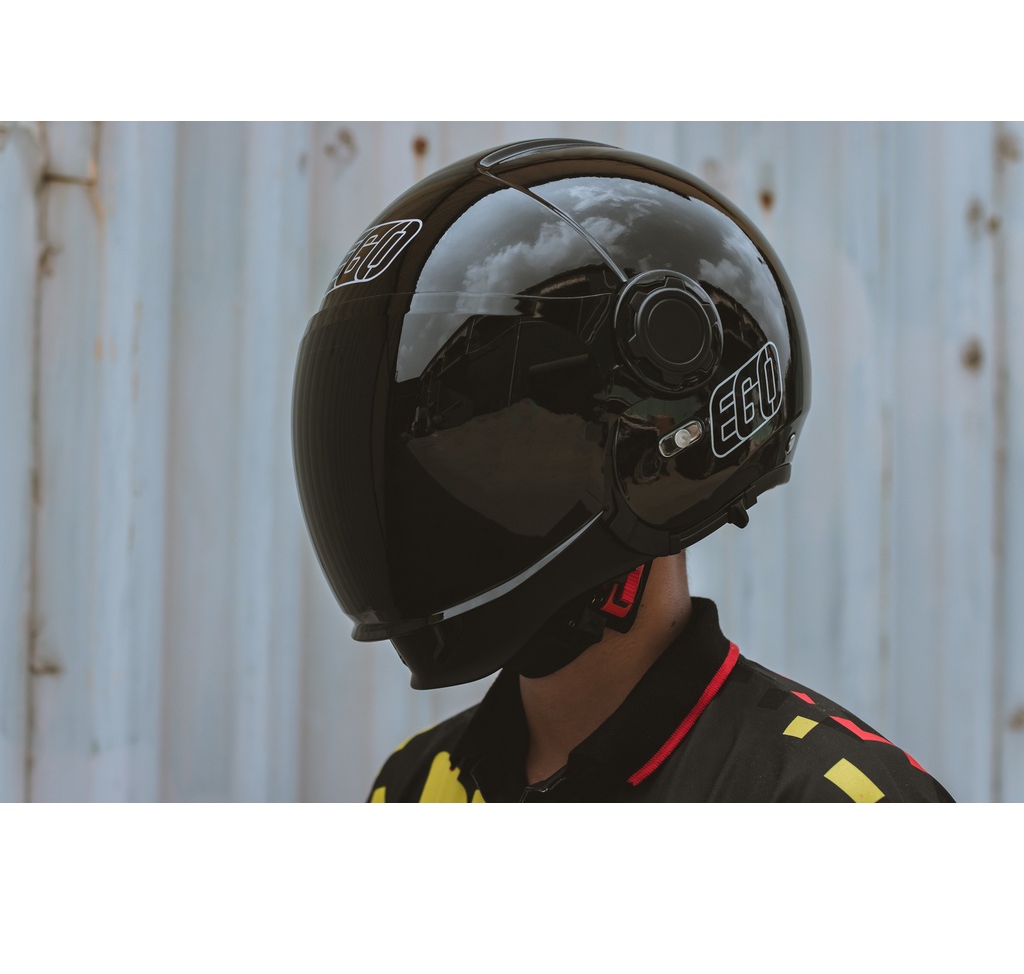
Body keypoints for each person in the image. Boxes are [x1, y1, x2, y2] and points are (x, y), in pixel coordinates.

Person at [292, 138, 954, 803]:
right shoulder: (411, 784)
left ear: (655, 443)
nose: (433, 489)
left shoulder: (826, 799)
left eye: (509, 419)